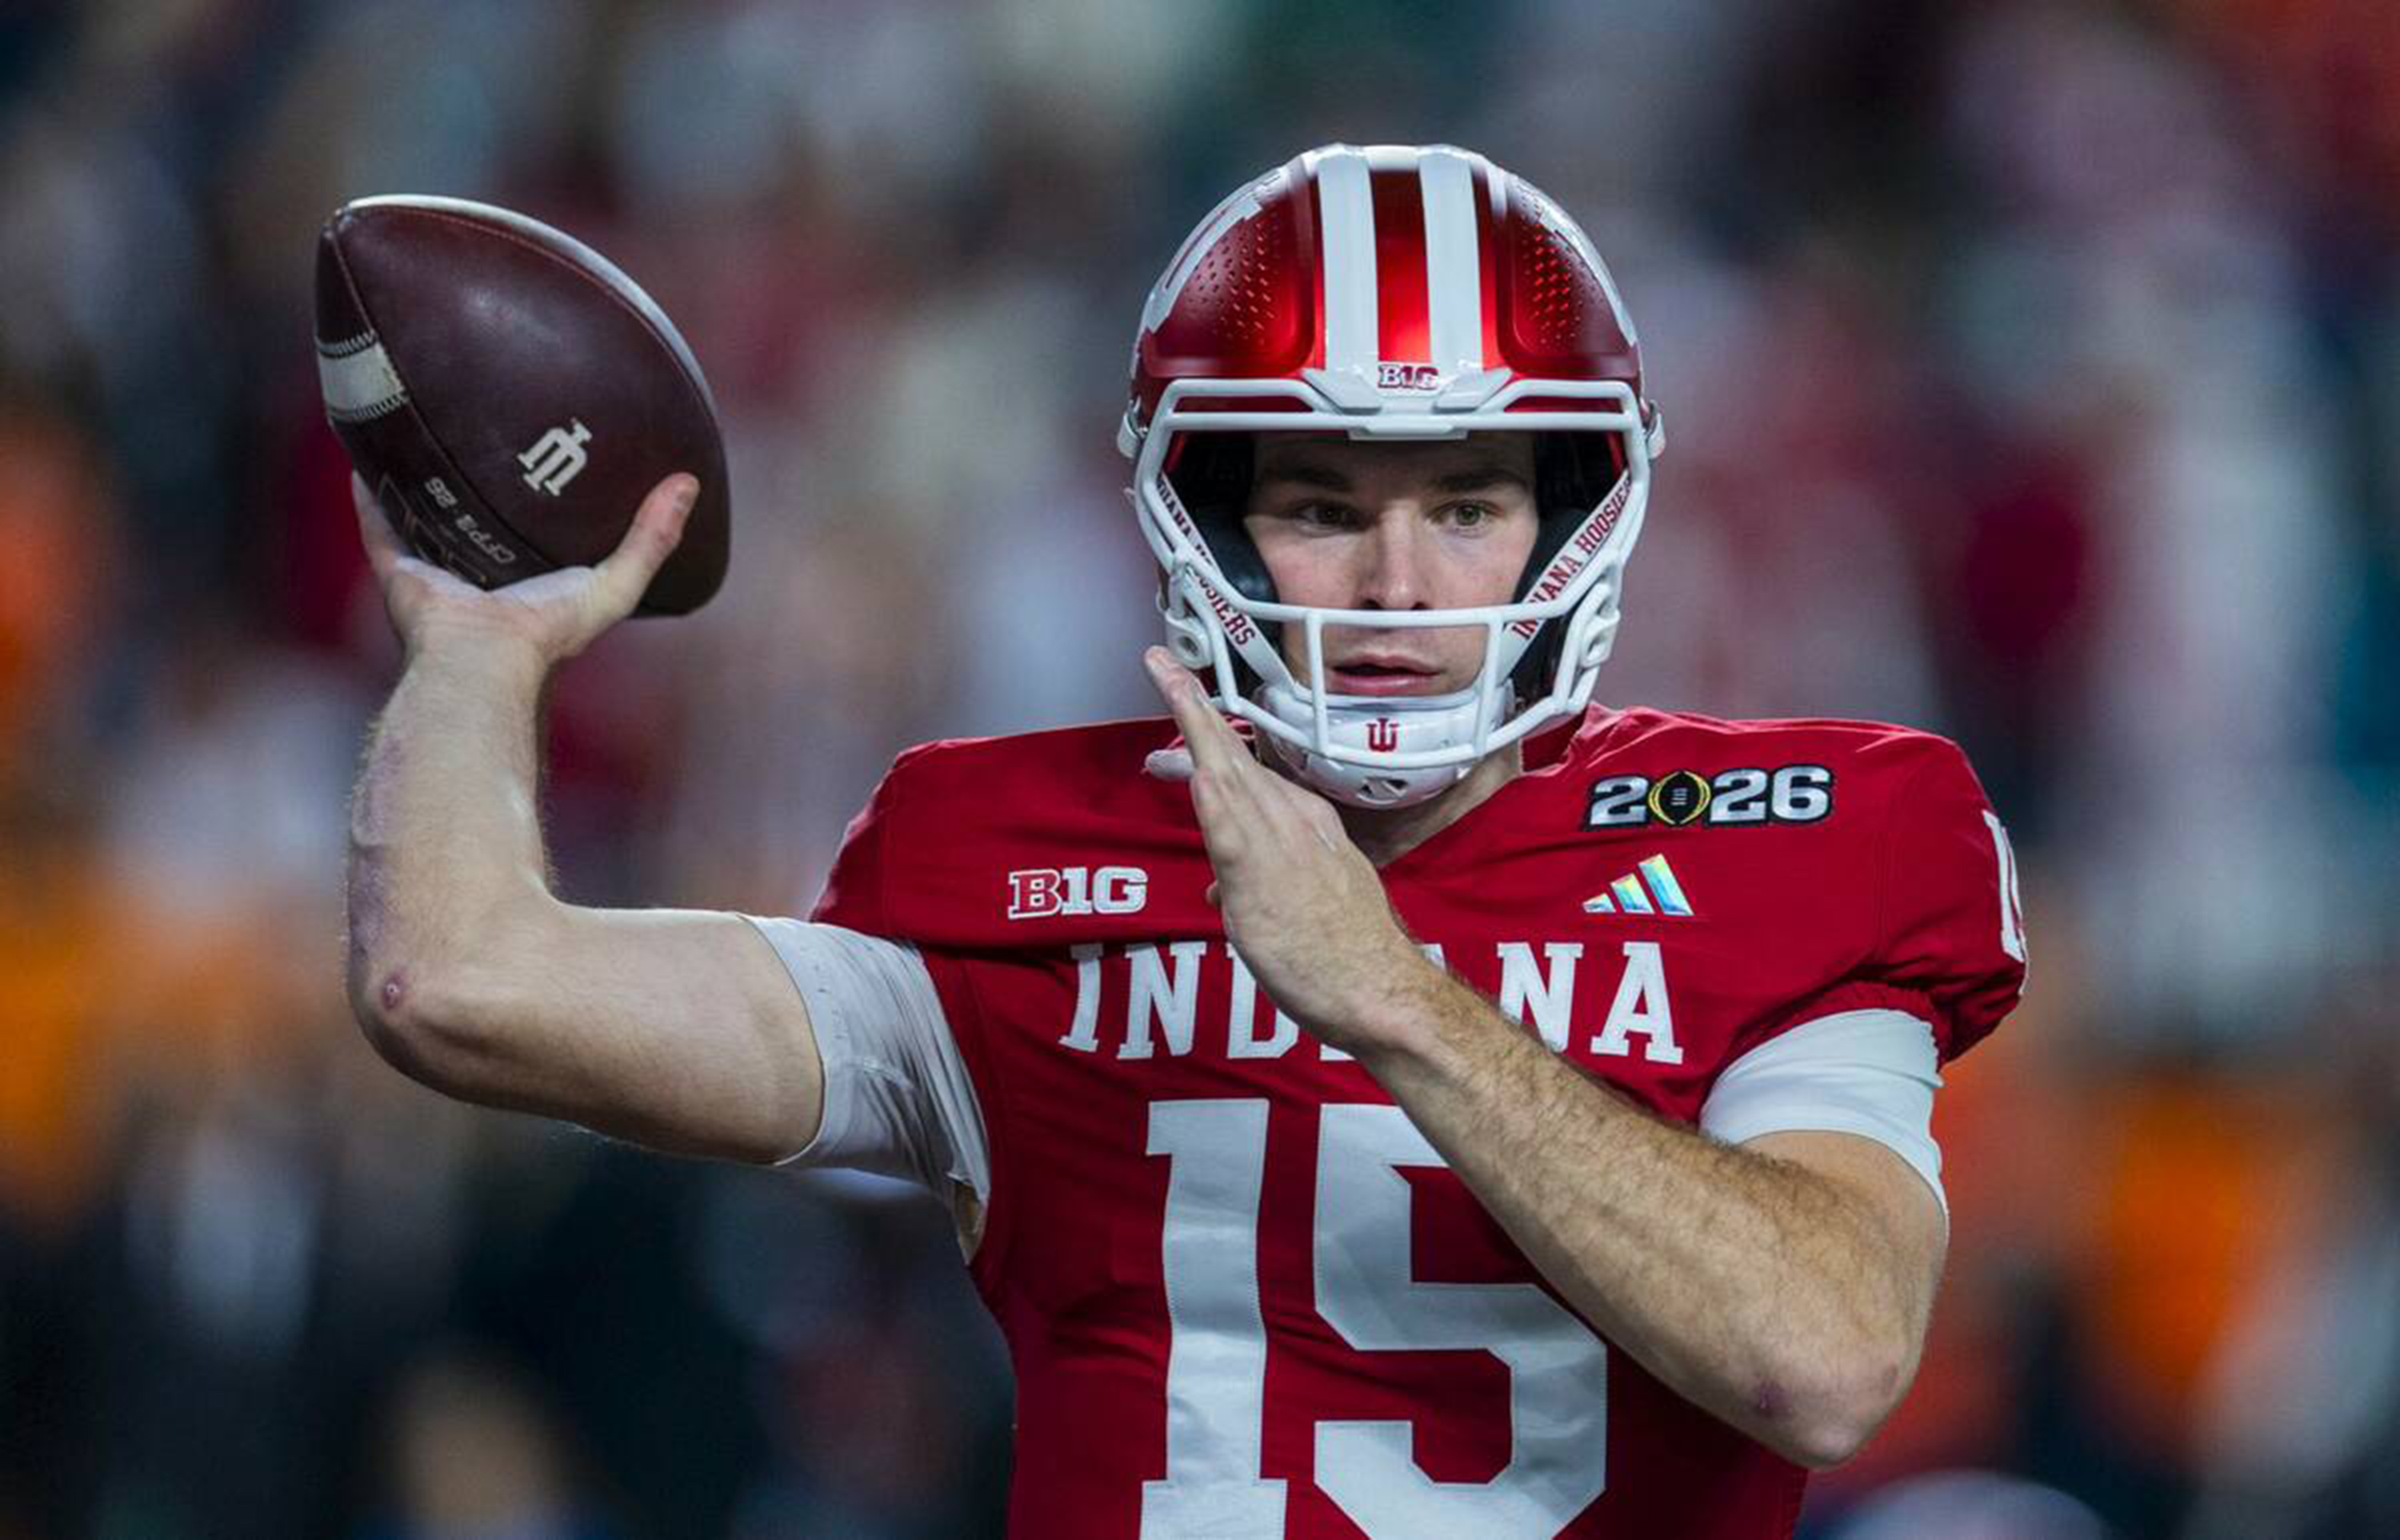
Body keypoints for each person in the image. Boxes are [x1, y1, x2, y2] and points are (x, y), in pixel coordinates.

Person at [346, 144, 2027, 1539]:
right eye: (1319, 509)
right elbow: (458, 981)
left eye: (1465, 507)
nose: (1395, 587)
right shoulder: (1007, 859)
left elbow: (1824, 1356)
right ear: (1201, 518)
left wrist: (1392, 994)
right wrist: (479, 657)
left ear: (1571, 515)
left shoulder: (1796, 840)